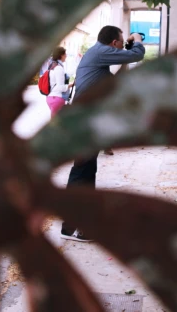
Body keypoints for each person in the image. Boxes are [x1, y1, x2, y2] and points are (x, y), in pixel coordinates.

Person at [60, 26, 145, 242]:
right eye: (122, 40)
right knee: (82, 172)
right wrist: (136, 40)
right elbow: (138, 53)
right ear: (114, 43)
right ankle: (73, 226)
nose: (123, 42)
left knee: (87, 171)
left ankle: (75, 225)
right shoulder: (100, 52)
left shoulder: (99, 58)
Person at [46, 46, 72, 117]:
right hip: (57, 98)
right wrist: (71, 85)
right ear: (61, 55)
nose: (66, 56)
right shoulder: (59, 68)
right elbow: (60, 87)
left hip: (50, 97)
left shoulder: (51, 66)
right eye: (65, 54)